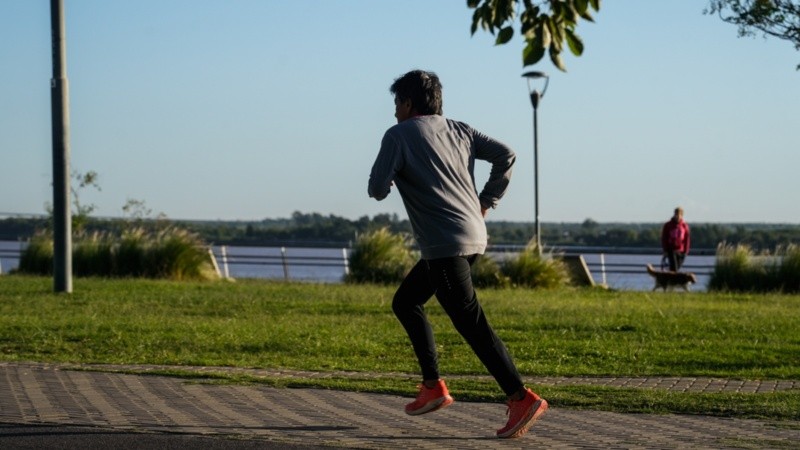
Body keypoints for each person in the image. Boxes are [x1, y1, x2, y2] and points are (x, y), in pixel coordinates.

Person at [368, 70, 547, 439]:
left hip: (445, 245)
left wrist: (392, 175)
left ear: (407, 103)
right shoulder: (460, 130)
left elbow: (376, 189)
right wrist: (486, 201)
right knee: (406, 302)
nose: (394, 113)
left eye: (396, 104)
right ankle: (432, 386)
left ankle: (521, 397)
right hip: (471, 237)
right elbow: (506, 155)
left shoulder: (398, 135)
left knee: (471, 323)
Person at [661, 207, 690, 272]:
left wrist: (686, 251)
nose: (677, 217)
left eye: (678, 215)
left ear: (681, 216)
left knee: (676, 268)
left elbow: (687, 239)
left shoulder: (684, 226)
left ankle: (671, 279)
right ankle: (673, 280)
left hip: (681, 251)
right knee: (674, 268)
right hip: (671, 250)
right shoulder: (668, 225)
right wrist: (665, 250)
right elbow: (664, 238)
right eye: (676, 215)